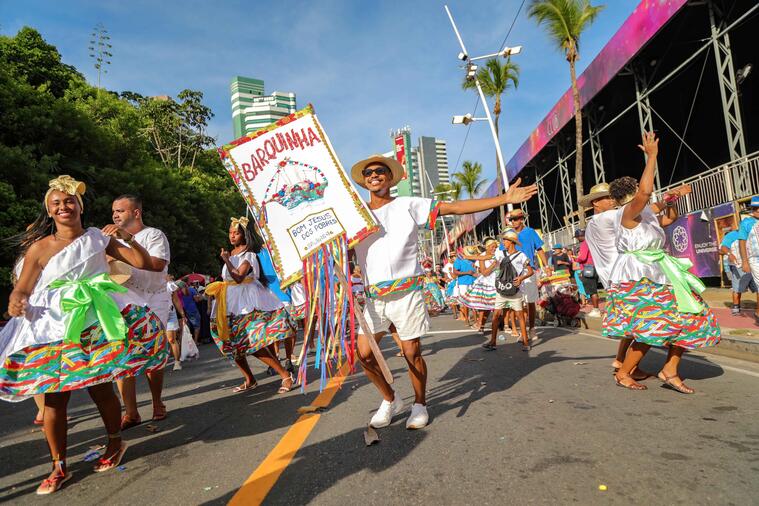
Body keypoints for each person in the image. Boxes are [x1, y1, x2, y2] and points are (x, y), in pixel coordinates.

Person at [0, 176, 168, 494]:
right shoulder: (39, 248)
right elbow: (23, 285)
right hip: (52, 324)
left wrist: (126, 238)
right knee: (53, 397)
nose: (64, 207)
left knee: (99, 387)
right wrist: (16, 299)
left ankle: (115, 444)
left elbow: (147, 265)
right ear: (49, 212)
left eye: (69, 201)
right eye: (56, 203)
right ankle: (58, 466)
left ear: (80, 205)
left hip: (95, 320)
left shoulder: (98, 238)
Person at [350, 154, 536, 430]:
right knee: (363, 354)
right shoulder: (356, 215)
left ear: (390, 178)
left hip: (407, 291)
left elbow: (455, 207)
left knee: (411, 352)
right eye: (369, 172)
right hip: (374, 296)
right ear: (364, 181)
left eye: (380, 171)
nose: (374, 175)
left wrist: (503, 199)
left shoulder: (409, 204)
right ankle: (390, 400)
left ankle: (419, 404)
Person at [604, 133, 720, 392]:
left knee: (692, 316)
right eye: (640, 189)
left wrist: (671, 200)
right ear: (632, 193)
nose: (645, 190)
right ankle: (623, 373)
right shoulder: (628, 212)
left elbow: (669, 219)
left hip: (661, 272)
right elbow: (645, 193)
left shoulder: (646, 214)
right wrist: (652, 155)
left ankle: (670, 370)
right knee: (652, 324)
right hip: (638, 277)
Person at [206, 217, 295, 394]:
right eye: (230, 233)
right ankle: (250, 379)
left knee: (250, 343)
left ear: (244, 235)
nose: (232, 236)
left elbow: (239, 277)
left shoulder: (248, 255)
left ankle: (285, 375)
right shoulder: (231, 253)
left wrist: (226, 260)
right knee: (230, 344)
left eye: (236, 233)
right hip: (228, 303)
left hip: (246, 303)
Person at [111, 194, 171, 428]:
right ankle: (131, 412)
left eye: (121, 210)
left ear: (136, 213)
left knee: (152, 350)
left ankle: (157, 402)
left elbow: (156, 265)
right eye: (114, 211)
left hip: (153, 298)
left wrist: (128, 243)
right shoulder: (111, 240)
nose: (115, 215)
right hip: (125, 299)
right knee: (122, 354)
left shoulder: (153, 235)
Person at [484, 229, 533, 351]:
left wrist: (521, 278)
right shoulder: (501, 254)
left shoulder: (521, 255)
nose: (503, 242)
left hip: (514, 289)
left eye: (505, 240)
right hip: (503, 288)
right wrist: (468, 256)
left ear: (511, 242)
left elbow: (530, 271)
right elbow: (486, 257)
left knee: (520, 316)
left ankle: (526, 342)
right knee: (496, 316)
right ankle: (493, 341)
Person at [506, 208, 550, 341]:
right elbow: (503, 252)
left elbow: (539, 249)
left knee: (530, 302)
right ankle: (522, 330)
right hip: (513, 272)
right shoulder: (509, 233)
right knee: (518, 303)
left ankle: (531, 328)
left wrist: (546, 266)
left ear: (521, 219)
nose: (513, 222)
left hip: (529, 271)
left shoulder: (530, 232)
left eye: (515, 219)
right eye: (511, 219)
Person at [460, 238, 499, 331]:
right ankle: (480, 324)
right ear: (487, 247)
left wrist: (467, 257)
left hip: (496, 281)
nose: (494, 248)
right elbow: (484, 271)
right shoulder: (484, 255)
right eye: (492, 247)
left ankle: (483, 324)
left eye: (495, 247)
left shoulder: (497, 254)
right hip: (485, 282)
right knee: (483, 306)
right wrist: (467, 257)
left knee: (490, 306)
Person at [721, 224, 757, 316]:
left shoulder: (752, 234)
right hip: (738, 265)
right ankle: (736, 307)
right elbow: (723, 248)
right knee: (738, 288)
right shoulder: (731, 235)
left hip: (753, 263)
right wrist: (729, 254)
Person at [737, 197, 759, 324]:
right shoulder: (746, 223)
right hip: (755, 260)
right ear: (751, 209)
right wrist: (745, 261)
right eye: (755, 208)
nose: (758, 210)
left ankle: (757, 312)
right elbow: (742, 242)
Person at [574, 229, 601, 317]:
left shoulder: (584, 243)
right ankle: (596, 309)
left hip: (588, 268)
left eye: (577, 237)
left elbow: (582, 257)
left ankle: (596, 310)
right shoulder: (593, 242)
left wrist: (575, 259)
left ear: (580, 236)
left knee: (591, 290)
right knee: (594, 290)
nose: (577, 239)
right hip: (594, 267)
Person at [452, 247, 477, 324]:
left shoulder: (474, 259)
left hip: (474, 282)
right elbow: (455, 272)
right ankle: (466, 319)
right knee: (465, 302)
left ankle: (476, 320)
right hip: (463, 283)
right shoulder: (458, 260)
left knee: (474, 301)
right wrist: (467, 273)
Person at [165, 276, 184, 370]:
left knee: (172, 339)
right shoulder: (147, 284)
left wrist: (182, 314)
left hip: (169, 314)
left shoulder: (169, 284)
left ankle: (177, 362)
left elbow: (176, 300)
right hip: (154, 315)